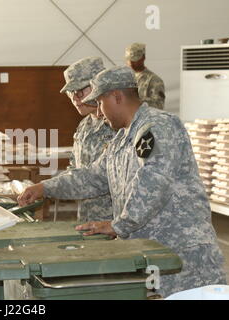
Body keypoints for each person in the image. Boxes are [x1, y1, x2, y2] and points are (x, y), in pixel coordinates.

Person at [18, 66, 227, 297]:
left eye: (99, 103)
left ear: (116, 97)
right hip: (151, 252)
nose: (98, 111)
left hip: (183, 256)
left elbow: (153, 185)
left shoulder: (158, 126)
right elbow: (92, 177)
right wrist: (44, 187)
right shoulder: (121, 139)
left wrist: (118, 225)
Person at [56, 57, 115, 223]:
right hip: (88, 218)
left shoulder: (117, 124)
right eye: (71, 92)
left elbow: (101, 177)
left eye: (80, 90)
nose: (75, 97)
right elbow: (75, 167)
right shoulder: (85, 125)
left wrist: (46, 188)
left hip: (114, 223)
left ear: (98, 85)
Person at [125, 42, 165, 110]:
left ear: (143, 58)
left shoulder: (154, 80)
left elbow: (159, 106)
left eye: (135, 60)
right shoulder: (124, 79)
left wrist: (136, 101)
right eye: (129, 60)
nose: (131, 63)